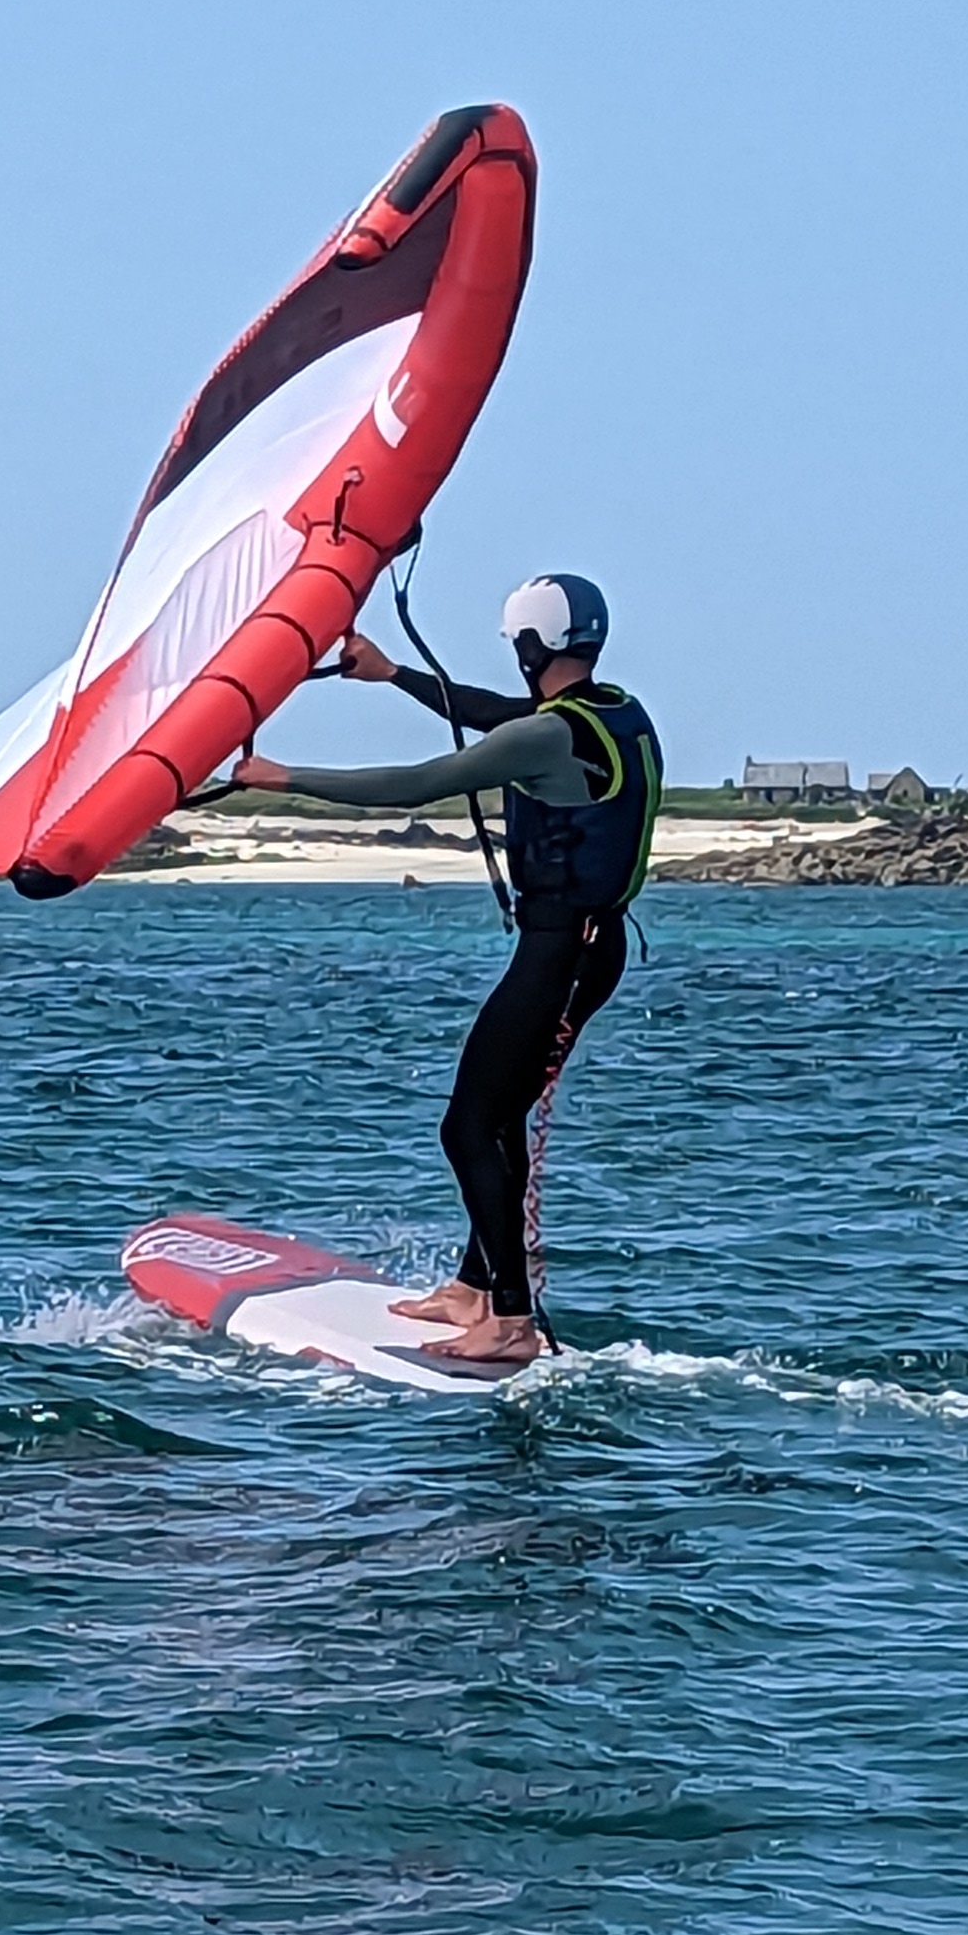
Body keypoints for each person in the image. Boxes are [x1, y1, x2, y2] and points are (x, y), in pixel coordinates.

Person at [223, 574, 662, 1366]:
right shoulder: (613, 712)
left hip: (560, 954)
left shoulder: (546, 736)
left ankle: (512, 1320)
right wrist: (392, 675)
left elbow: (417, 784)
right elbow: (498, 718)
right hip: (590, 948)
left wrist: (282, 778)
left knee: (468, 1125)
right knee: (500, 1116)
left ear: (529, 646)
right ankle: (477, 1285)